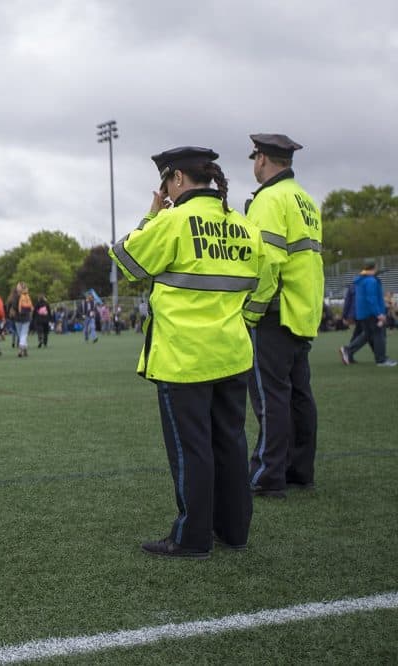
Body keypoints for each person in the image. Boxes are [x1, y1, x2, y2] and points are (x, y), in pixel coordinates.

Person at [109, 146, 262, 558]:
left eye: (165, 184)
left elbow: (125, 258)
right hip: (232, 352)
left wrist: (153, 213)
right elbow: (259, 286)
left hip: (183, 358)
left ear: (175, 179)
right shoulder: (244, 225)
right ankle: (234, 532)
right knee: (230, 444)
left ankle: (191, 537)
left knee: (191, 449)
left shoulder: (173, 220)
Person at [241, 134, 325, 498]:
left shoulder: (268, 199)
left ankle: (267, 474)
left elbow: (268, 262)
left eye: (254, 157)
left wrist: (250, 313)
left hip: (274, 311)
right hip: (302, 309)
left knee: (270, 396)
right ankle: (299, 469)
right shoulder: (305, 199)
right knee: (299, 396)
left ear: (262, 158)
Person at [340, 260, 397, 367]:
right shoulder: (371, 281)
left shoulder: (361, 280)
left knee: (367, 335)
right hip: (371, 313)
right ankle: (381, 359)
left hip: (363, 313)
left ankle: (348, 350)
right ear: (375, 267)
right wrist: (379, 313)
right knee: (379, 335)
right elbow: (372, 298)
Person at [15, 282, 33, 357]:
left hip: (17, 318)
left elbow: (12, 305)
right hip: (26, 317)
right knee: (24, 334)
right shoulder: (27, 295)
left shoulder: (15, 296)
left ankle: (20, 349)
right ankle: (24, 349)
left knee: (20, 334)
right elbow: (31, 307)